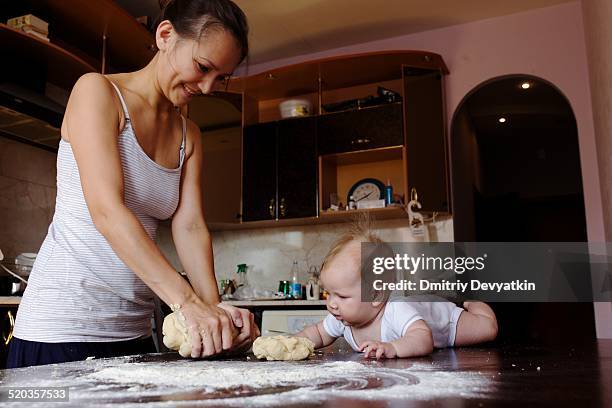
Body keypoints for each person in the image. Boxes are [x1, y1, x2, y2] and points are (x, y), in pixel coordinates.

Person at [8, 0, 258, 368]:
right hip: (60, 328)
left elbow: (189, 227)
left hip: (134, 333)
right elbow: (107, 211)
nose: (207, 88)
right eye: (203, 68)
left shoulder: (190, 135)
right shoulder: (98, 92)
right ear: (166, 35)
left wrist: (213, 312)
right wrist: (187, 303)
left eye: (220, 77)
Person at [296, 224, 498, 359]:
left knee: (487, 329)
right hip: (421, 304)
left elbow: (423, 338)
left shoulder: (396, 310)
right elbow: (318, 334)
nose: (331, 303)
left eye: (341, 296)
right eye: (328, 293)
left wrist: (394, 348)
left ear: (375, 295)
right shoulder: (342, 317)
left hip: (444, 320)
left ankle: (473, 302)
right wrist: (293, 342)